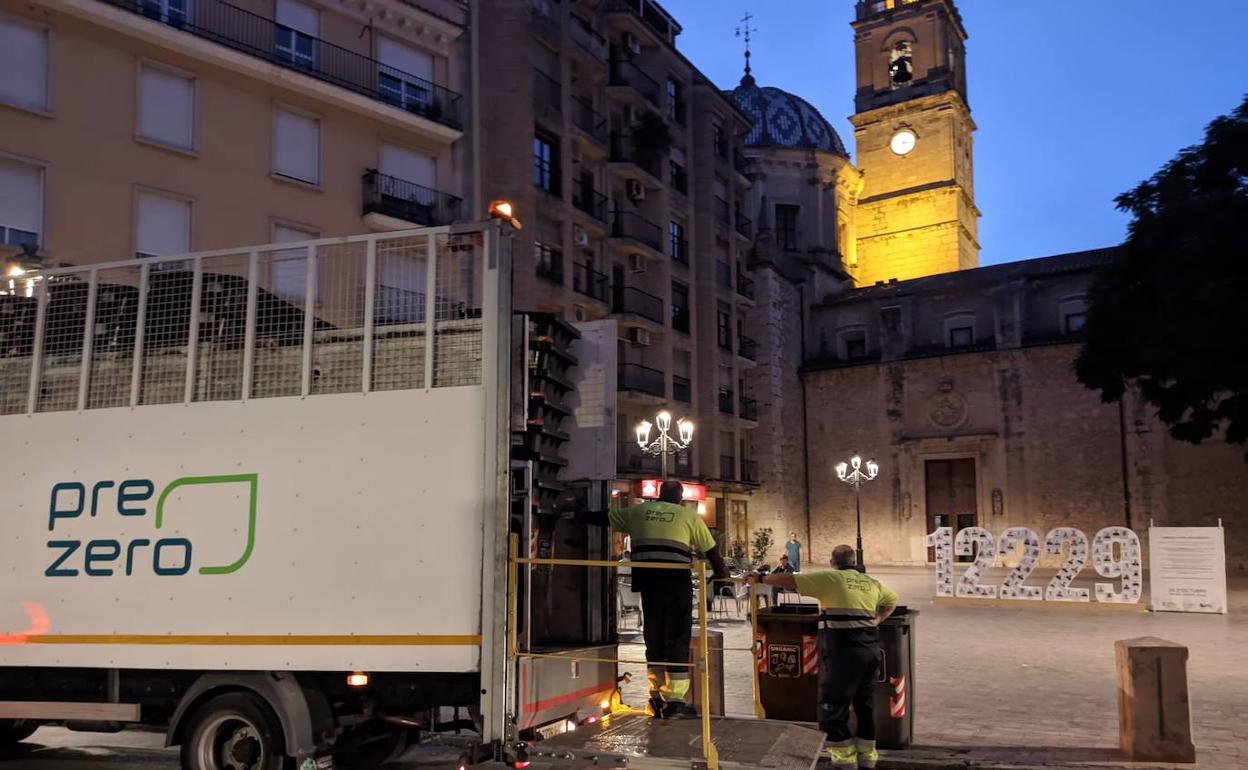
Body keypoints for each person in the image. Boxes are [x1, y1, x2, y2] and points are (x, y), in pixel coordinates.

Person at [570, 481, 729, 719]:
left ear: (659, 495)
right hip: (675, 584)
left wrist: (581, 514)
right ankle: (675, 702)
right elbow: (712, 552)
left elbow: (605, 517)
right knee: (676, 637)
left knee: (653, 637)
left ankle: (655, 698)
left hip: (649, 583)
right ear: (680, 497)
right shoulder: (688, 516)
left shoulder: (638, 512)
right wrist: (723, 577)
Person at [759, 544, 898, 770]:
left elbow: (789, 580)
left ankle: (844, 762)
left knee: (831, 709)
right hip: (871, 652)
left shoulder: (830, 579)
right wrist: (877, 619)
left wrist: (760, 578)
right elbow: (891, 600)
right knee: (865, 707)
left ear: (832, 562)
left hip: (844, 653)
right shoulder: (871, 583)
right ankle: (867, 760)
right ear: (853, 562)